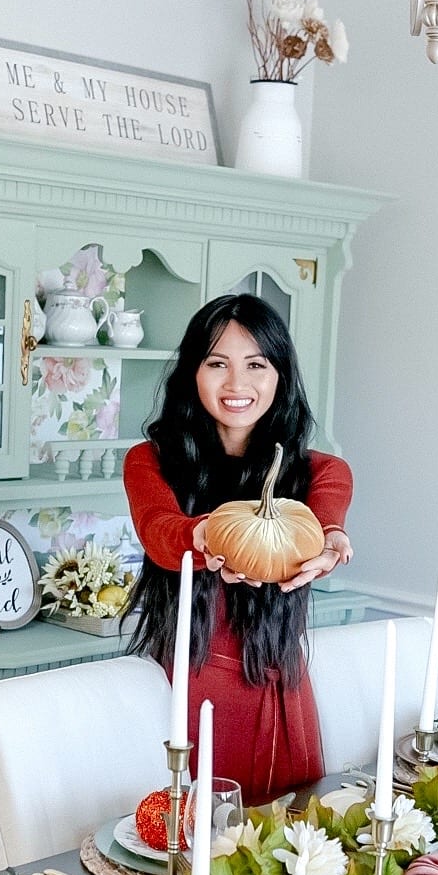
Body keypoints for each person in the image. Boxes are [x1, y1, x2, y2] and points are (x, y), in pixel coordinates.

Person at [124, 293, 353, 802]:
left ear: (281, 375)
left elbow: (326, 520)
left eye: (256, 364)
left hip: (281, 694)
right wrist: (208, 538)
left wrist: (332, 542)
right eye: (217, 364)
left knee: (286, 854)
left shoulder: (319, 470)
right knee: (187, 858)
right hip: (189, 694)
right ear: (193, 373)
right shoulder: (151, 461)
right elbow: (162, 532)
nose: (237, 384)